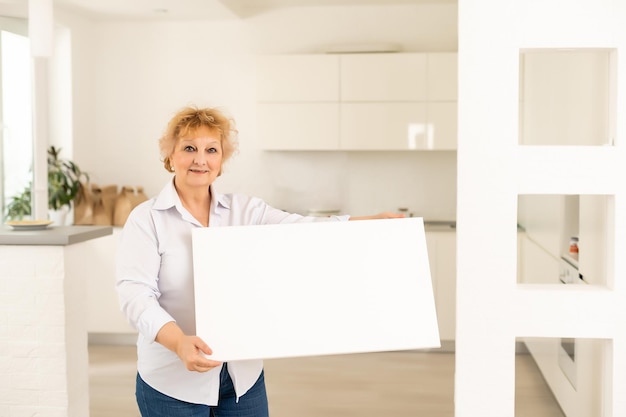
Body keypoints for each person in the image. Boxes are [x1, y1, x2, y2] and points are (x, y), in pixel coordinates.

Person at [116, 105, 404, 417]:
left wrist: (370, 222)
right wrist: (179, 343)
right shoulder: (146, 220)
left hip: (242, 377)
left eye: (211, 150)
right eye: (189, 148)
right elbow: (136, 296)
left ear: (221, 162)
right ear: (170, 157)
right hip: (172, 382)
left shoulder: (246, 212)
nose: (201, 159)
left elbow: (304, 229)